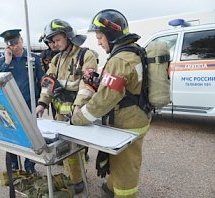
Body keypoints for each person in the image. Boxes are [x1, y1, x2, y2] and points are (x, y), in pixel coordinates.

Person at [70, 9, 151, 198]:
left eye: (100, 37)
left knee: (125, 167)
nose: (98, 41)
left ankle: (124, 193)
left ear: (111, 34)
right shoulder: (133, 51)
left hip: (127, 124)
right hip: (136, 117)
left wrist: (79, 118)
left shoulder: (120, 60)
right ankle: (112, 186)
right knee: (122, 160)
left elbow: (105, 100)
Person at [35, 19, 98, 194]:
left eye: (57, 40)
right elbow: (48, 83)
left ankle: (79, 180)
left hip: (77, 112)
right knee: (64, 147)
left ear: (68, 36)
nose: (54, 44)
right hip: (61, 113)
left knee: (76, 148)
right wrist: (42, 103)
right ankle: (74, 178)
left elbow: (88, 84)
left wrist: (78, 107)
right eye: (51, 41)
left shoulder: (86, 55)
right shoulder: (56, 58)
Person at [0, 29, 45, 174]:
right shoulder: (4, 60)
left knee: (31, 136)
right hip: (11, 104)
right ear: (7, 46)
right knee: (13, 135)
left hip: (29, 104)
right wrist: (7, 61)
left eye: (16, 43)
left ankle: (30, 165)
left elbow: (42, 80)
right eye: (10, 45)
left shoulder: (33, 59)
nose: (15, 47)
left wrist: (41, 103)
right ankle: (14, 165)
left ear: (21, 40)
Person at [38, 26, 59, 120]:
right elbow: (42, 74)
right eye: (49, 42)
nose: (52, 45)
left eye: (53, 42)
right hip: (49, 87)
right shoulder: (44, 55)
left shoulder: (64, 53)